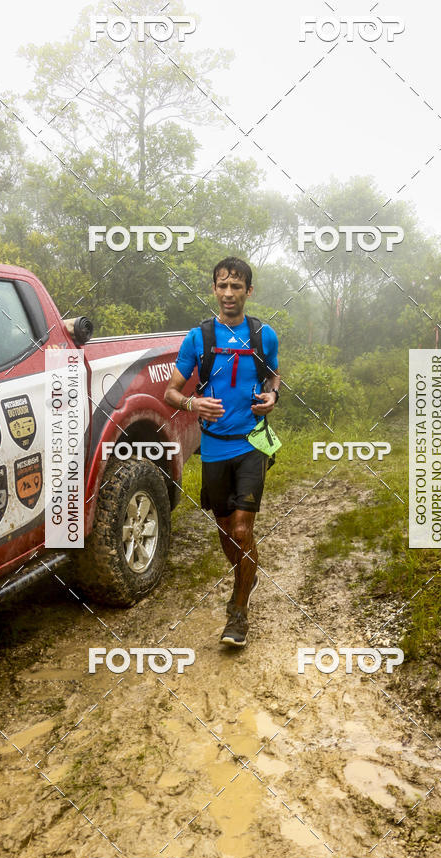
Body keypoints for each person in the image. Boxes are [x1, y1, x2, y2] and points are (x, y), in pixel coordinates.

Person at [164, 257, 280, 647]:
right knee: (227, 533)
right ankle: (247, 574)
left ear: (249, 291)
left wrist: (272, 396)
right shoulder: (198, 338)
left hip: (252, 445)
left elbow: (274, 374)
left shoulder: (265, 335)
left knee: (244, 530)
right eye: (222, 286)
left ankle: (238, 610)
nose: (229, 293)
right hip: (213, 449)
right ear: (214, 289)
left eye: (237, 287)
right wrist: (192, 405)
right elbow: (171, 392)